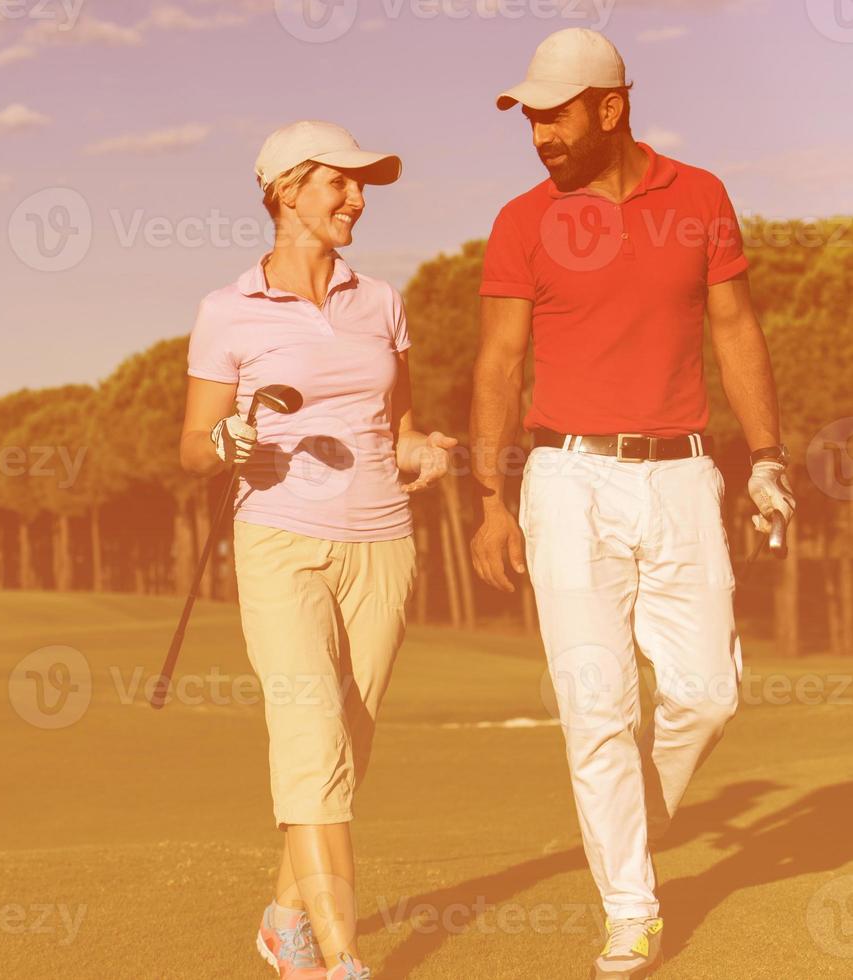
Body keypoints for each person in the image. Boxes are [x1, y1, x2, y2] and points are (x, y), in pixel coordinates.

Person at [468, 29, 796, 980]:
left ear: (611, 107)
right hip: (564, 480)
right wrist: (490, 498)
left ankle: (629, 827)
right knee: (595, 703)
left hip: (683, 474)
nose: (539, 135)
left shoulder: (698, 198)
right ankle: (629, 909)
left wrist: (767, 456)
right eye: (529, 117)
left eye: (555, 114)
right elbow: (496, 362)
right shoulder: (521, 220)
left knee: (707, 691)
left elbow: (734, 326)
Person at [180, 120, 457, 980]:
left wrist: (424, 449)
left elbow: (397, 423)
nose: (356, 198)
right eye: (340, 182)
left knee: (349, 745)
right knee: (310, 740)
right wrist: (225, 441)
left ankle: (282, 919)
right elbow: (193, 444)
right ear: (287, 189)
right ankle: (341, 960)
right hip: (279, 539)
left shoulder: (381, 301)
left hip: (382, 540)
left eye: (361, 183)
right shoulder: (227, 311)